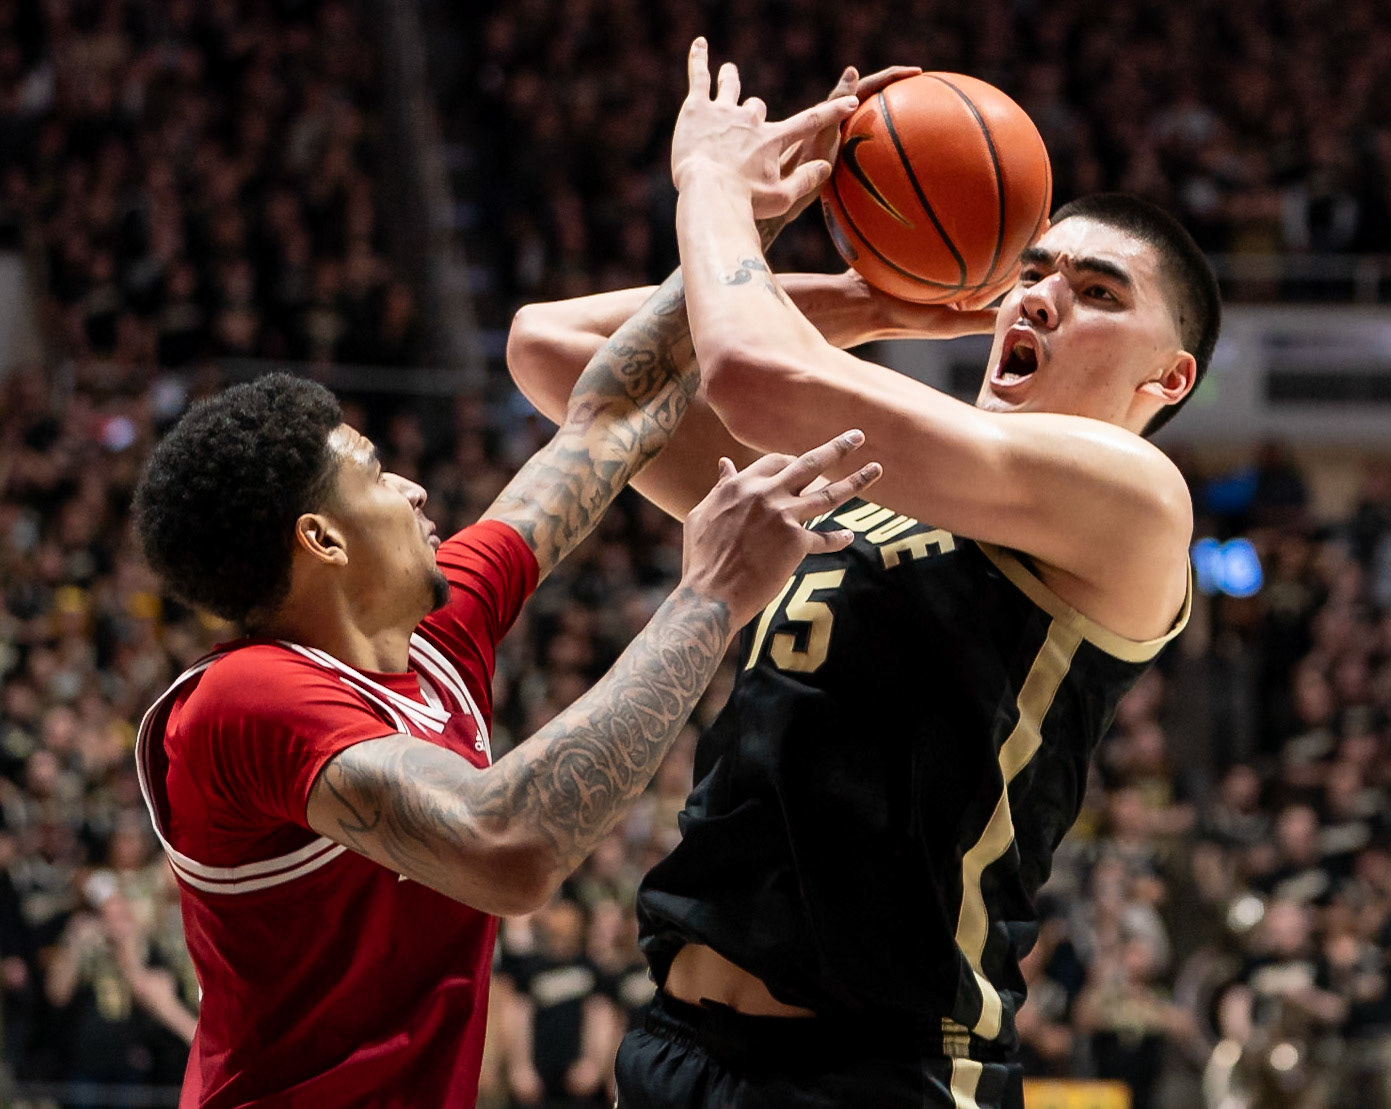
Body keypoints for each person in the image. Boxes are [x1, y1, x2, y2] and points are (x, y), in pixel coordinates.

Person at [507, 43, 1219, 1108]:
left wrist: (711, 184)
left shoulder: (1132, 498)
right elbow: (555, 351)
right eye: (1030, 272)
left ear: (1166, 377)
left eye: (1095, 291)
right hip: (674, 1047)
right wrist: (864, 296)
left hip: (884, 1070)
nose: (1037, 298)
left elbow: (750, 374)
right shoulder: (856, 473)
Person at [130, 184, 882, 1107]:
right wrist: (711, 594)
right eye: (373, 471)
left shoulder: (430, 633)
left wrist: (740, 207)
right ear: (321, 539)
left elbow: (612, 411)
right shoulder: (243, 701)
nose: (411, 487)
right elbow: (507, 844)